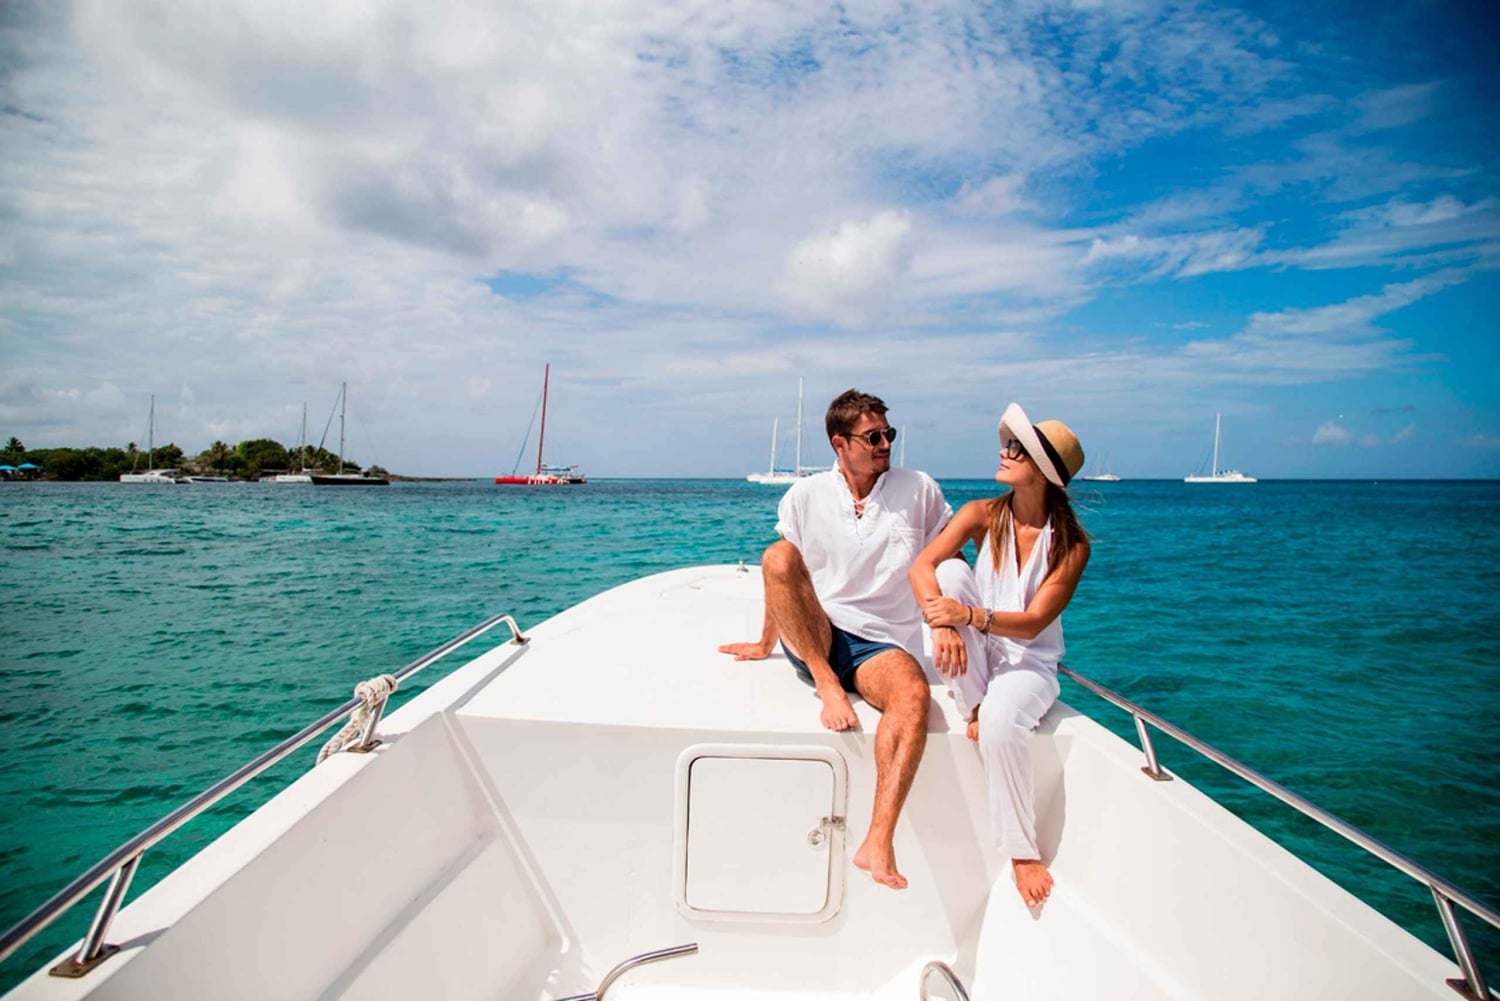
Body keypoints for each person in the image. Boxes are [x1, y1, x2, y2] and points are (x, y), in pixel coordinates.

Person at [719, 388, 952, 890]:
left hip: (882, 645)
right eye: (873, 437)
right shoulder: (804, 496)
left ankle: (878, 841)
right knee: (777, 555)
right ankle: (827, 682)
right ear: (839, 443)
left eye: (888, 434)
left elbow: (946, 561)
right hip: (816, 633)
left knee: (914, 695)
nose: (885, 444)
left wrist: (952, 624)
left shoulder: (920, 490)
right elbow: (785, 578)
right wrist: (764, 644)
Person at [907, 402, 1089, 909]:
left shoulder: (1070, 545)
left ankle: (1021, 851)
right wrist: (943, 621)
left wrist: (966, 616)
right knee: (947, 572)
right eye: (1009, 444)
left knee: (1002, 723)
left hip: (1029, 663)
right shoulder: (981, 514)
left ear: (1044, 472)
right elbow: (920, 567)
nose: (1005, 451)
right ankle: (975, 707)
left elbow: (1033, 623)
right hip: (975, 647)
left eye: (1018, 449)